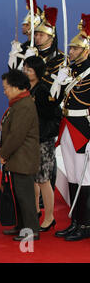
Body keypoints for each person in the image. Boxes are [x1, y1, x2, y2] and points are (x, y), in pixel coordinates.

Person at [51, 13, 90, 241]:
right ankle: (76, 221)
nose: (71, 52)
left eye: (75, 49)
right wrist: (59, 80)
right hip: (67, 126)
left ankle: (86, 224)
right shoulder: (71, 72)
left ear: (86, 51)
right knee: (73, 176)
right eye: (71, 48)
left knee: (85, 179)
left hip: (83, 130)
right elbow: (53, 99)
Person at [0, 69, 40, 241]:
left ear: (16, 87)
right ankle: (22, 226)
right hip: (18, 158)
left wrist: (3, 153)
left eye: (6, 87)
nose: (4, 91)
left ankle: (31, 230)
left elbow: (17, 135)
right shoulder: (19, 103)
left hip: (23, 158)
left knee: (25, 196)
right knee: (19, 195)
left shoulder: (24, 106)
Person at [23, 56, 61, 231]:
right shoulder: (27, 88)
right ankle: (36, 210)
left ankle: (50, 217)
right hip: (30, 140)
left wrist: (44, 134)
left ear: (37, 72)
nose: (25, 72)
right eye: (24, 68)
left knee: (44, 180)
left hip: (43, 142)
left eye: (29, 70)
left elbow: (54, 115)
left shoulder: (43, 90)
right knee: (33, 178)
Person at [8, 0, 42, 71]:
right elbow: (12, 70)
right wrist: (13, 55)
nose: (23, 26)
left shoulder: (38, 47)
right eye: (23, 24)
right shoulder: (23, 46)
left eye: (27, 24)